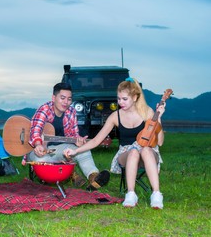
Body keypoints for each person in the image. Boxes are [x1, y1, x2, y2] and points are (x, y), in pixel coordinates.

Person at [64, 77, 165, 209]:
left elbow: (161, 142)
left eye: (124, 99)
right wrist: (75, 151)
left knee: (145, 150)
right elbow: (96, 140)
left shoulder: (147, 112)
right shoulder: (115, 116)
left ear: (134, 98)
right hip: (127, 153)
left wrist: (159, 119)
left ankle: (156, 195)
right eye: (118, 99)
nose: (120, 102)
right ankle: (131, 194)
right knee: (134, 152)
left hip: (148, 153)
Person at [28, 82, 110, 190]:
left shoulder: (71, 111)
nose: (66, 102)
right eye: (62, 98)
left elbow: (74, 134)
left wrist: (78, 141)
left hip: (60, 149)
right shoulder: (44, 109)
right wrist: (38, 144)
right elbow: (35, 130)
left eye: (69, 99)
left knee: (83, 150)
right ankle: (70, 174)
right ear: (54, 98)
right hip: (40, 150)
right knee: (42, 160)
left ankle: (94, 177)